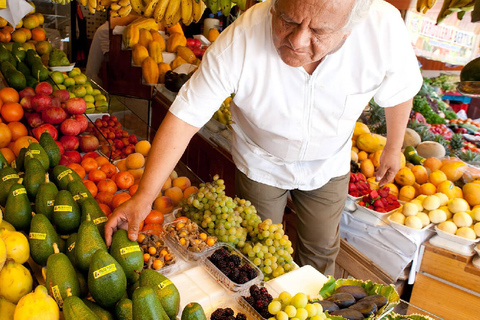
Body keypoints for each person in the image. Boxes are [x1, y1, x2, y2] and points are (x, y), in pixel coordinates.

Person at [105, 0, 423, 275]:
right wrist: (144, 197)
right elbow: (186, 116)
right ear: (274, 6)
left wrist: (393, 147)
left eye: (318, 32)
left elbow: (401, 88)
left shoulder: (382, 29)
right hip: (261, 160)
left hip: (329, 162)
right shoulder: (241, 39)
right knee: (255, 254)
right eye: (288, 21)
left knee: (321, 250)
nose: (298, 41)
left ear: (348, 30)